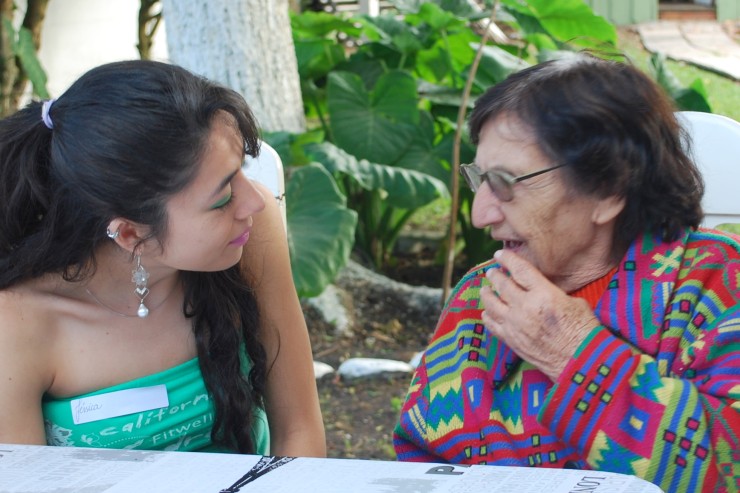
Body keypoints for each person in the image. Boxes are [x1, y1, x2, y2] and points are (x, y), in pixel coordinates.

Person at [393, 54, 739, 492]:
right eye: (480, 179)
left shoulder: (719, 284)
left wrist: (575, 353)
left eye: (505, 182)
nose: (481, 214)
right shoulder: (476, 296)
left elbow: (727, 473)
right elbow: (418, 463)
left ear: (609, 188)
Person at [0, 60, 326, 457]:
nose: (255, 201)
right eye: (222, 198)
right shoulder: (17, 322)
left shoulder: (251, 232)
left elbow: (300, 430)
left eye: (242, 169)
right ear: (131, 234)